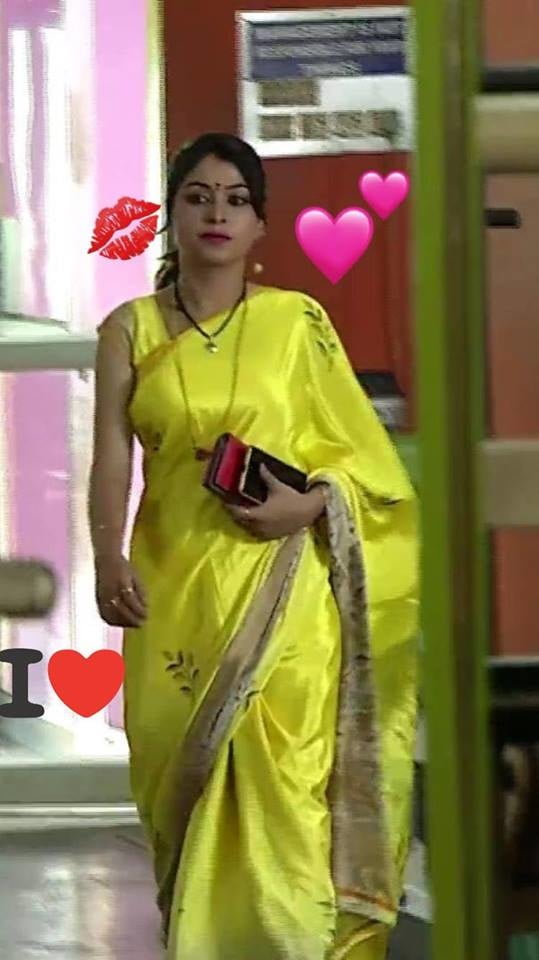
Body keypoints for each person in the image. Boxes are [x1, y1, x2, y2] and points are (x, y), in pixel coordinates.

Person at [89, 132, 419, 960]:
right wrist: (105, 558)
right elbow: (110, 461)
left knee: (284, 783)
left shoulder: (295, 323)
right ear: (170, 213)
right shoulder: (128, 330)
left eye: (236, 200)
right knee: (179, 788)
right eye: (198, 196)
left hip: (286, 588)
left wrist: (308, 506)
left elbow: (365, 461)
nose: (217, 214)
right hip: (172, 591)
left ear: (259, 225)